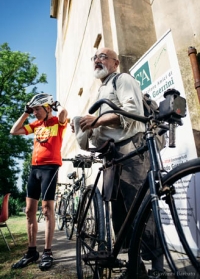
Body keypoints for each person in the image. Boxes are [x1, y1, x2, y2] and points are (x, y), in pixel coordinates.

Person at [71, 48, 165, 279]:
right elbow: (101, 125)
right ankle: (135, 269)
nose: (97, 60)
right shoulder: (102, 89)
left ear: (115, 62)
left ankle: (158, 268)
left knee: (141, 207)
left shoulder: (122, 79)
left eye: (103, 56)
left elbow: (130, 111)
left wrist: (95, 120)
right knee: (121, 213)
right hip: (112, 156)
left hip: (130, 148)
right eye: (94, 58)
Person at [10, 93, 68, 271]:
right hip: (34, 169)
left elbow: (64, 113)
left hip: (50, 169)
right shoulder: (36, 125)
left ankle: (47, 252)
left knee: (47, 209)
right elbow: (14, 131)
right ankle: (31, 251)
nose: (35, 112)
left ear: (47, 108)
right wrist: (26, 113)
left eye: (37, 109)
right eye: (33, 109)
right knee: (29, 211)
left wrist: (55, 107)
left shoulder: (57, 123)